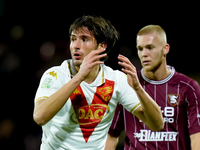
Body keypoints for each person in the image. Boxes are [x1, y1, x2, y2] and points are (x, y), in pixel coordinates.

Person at [33, 15, 164, 150]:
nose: (75, 46)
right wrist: (79, 77)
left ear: (102, 46)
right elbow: (40, 117)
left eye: (84, 39)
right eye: (73, 39)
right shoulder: (55, 75)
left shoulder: (116, 79)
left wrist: (138, 89)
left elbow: (157, 124)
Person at [105, 25, 200, 150]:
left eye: (150, 48)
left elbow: (196, 137)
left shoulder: (188, 87)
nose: (144, 54)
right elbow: (111, 135)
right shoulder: (126, 84)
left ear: (166, 49)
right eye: (140, 49)